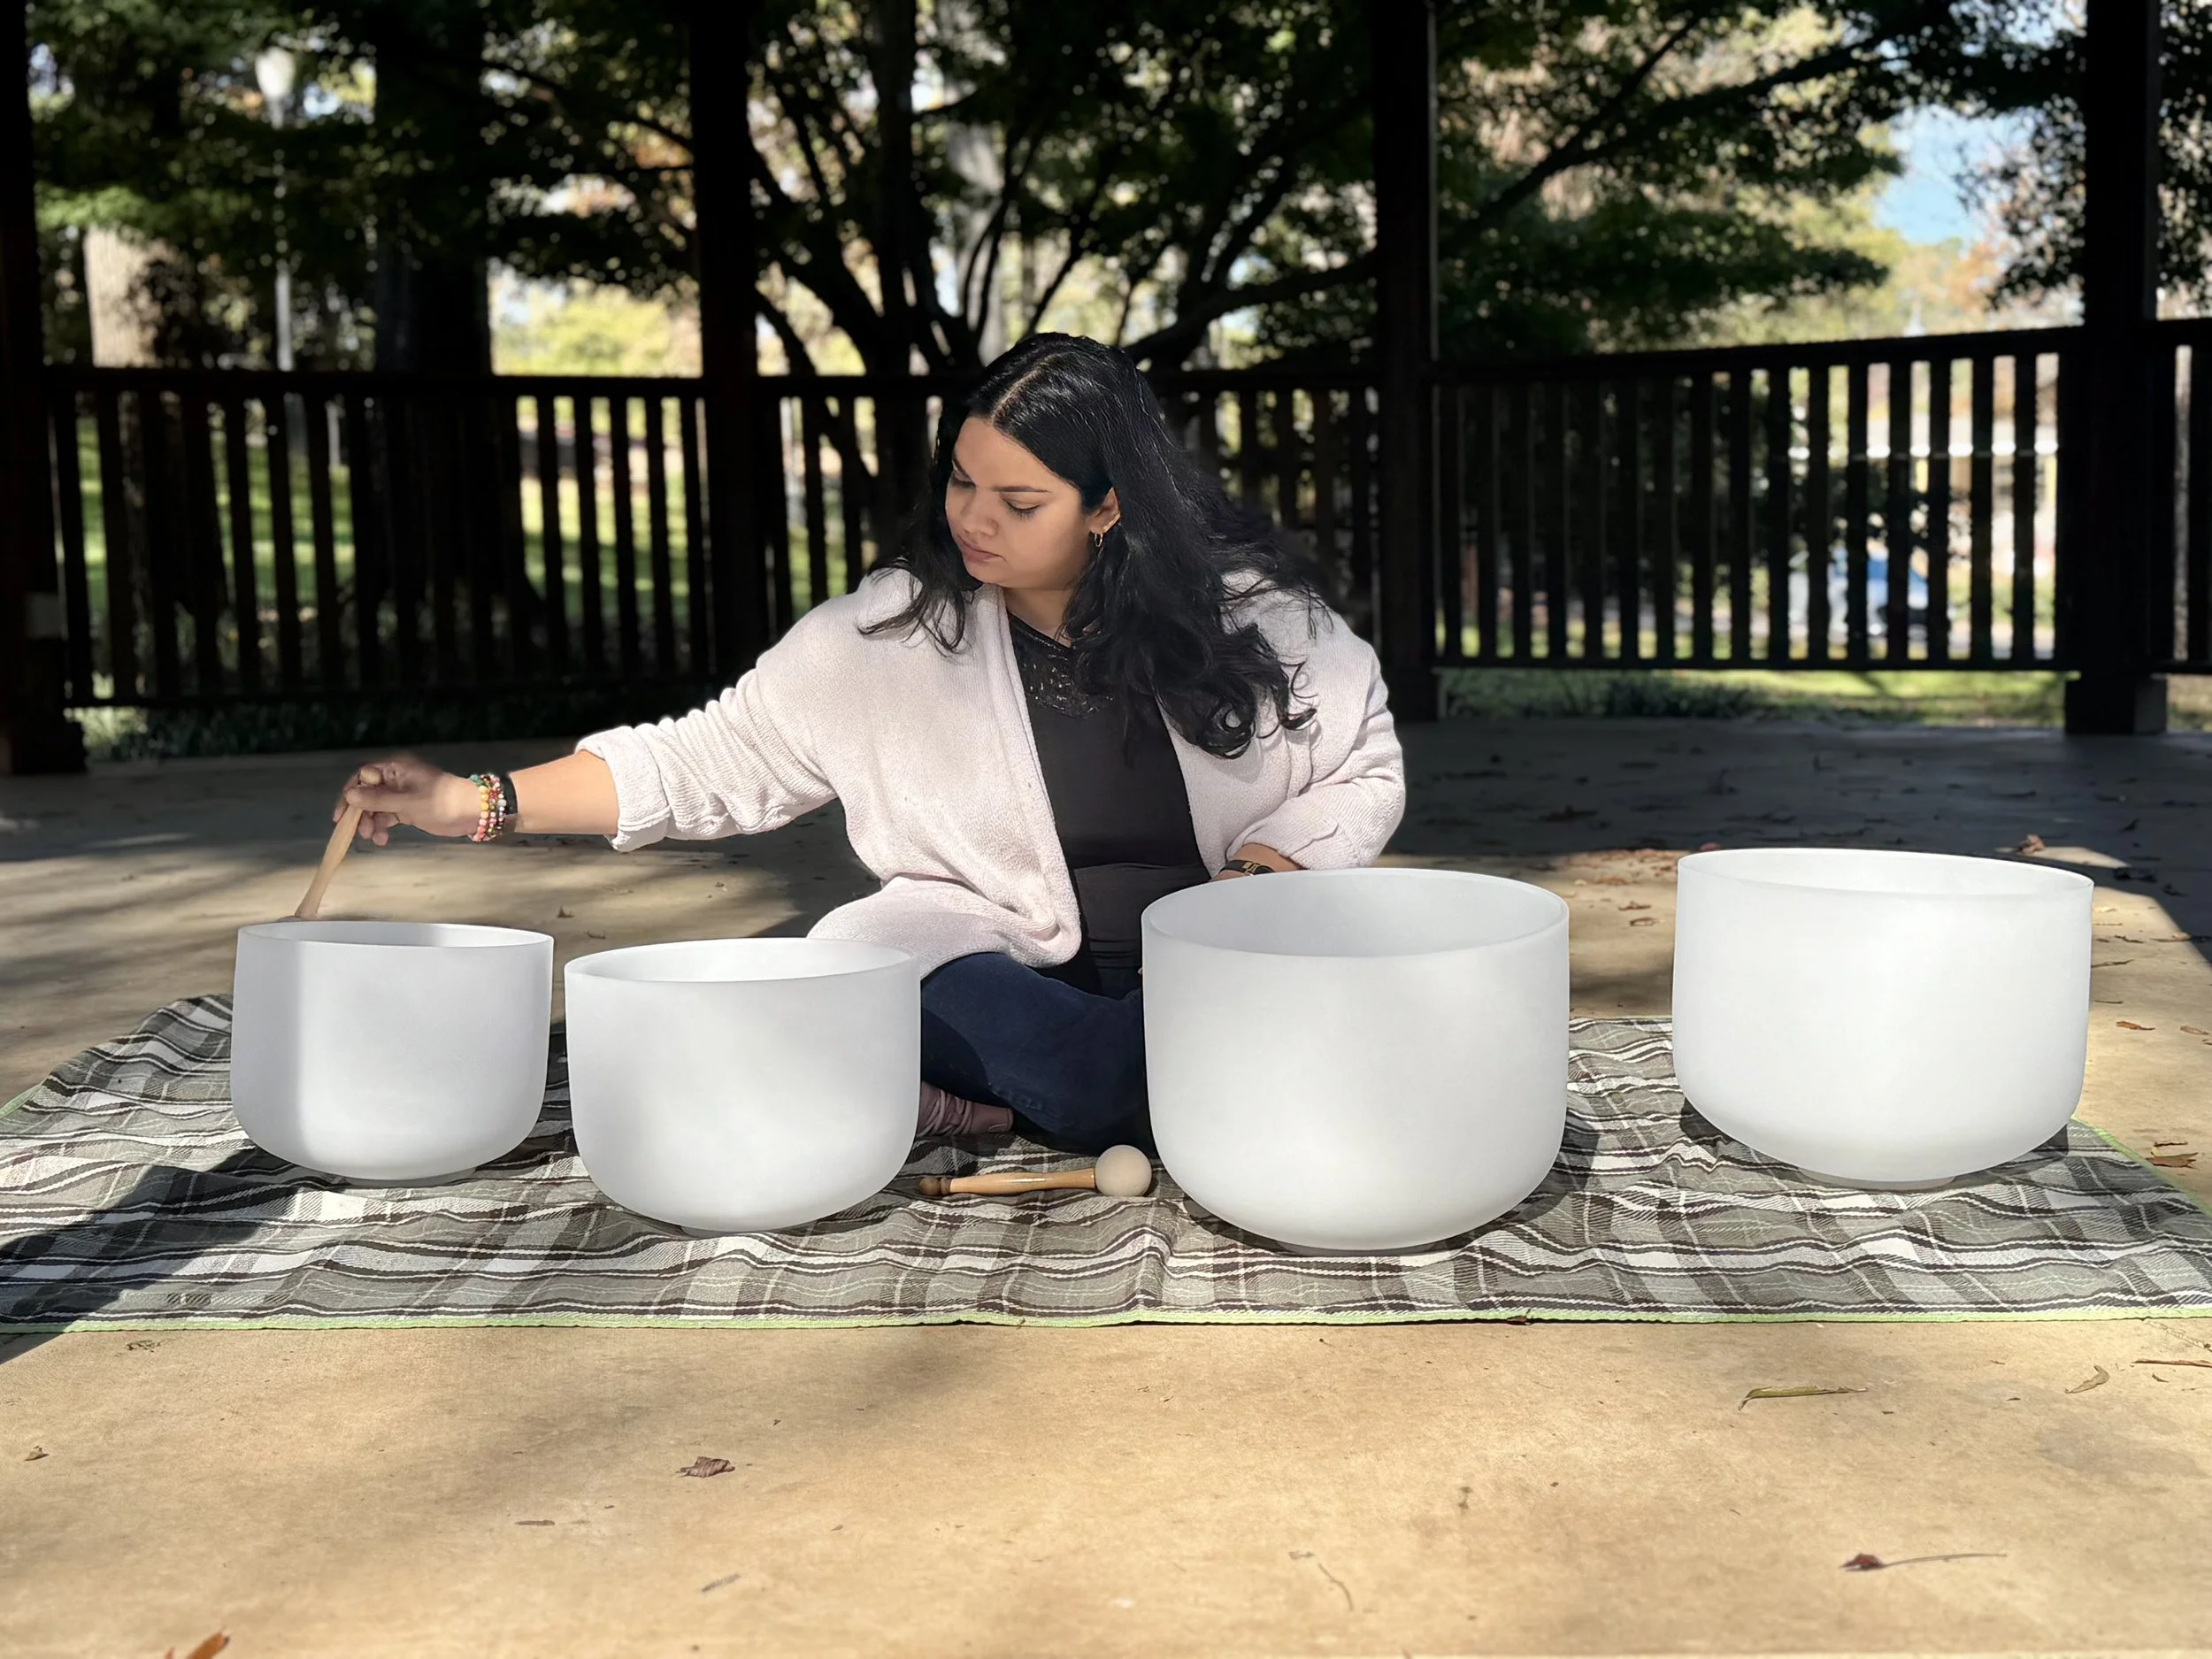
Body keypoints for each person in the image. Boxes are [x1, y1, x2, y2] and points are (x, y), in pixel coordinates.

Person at [337, 334, 1405, 1153]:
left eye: (1018, 500)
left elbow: (1364, 761)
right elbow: (702, 762)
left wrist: (1265, 873)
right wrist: (475, 801)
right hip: (981, 965)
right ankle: (1138, 1078)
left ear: (1108, 507)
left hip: (1215, 964)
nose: (972, 520)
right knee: (1098, 1081)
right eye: (961, 482)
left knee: (1294, 1021)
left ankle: (963, 1085)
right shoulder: (882, 638)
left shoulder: (1250, 617)